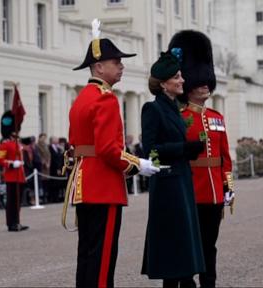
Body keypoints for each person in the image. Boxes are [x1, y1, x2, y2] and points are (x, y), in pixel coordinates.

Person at [68, 19, 159, 288]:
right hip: (103, 185)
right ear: (98, 66)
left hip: (85, 184)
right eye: (115, 62)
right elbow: (109, 150)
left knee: (87, 253)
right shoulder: (105, 98)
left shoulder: (83, 97)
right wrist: (137, 164)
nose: (121, 66)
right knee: (103, 257)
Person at [169, 30, 234, 288]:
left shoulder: (217, 117)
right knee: (188, 244)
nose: (206, 85)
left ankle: (209, 283)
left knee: (210, 245)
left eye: (207, 81)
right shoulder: (180, 116)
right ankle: (187, 283)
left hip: (214, 194)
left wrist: (228, 186)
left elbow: (225, 157)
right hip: (191, 191)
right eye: (200, 81)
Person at [141, 49, 206, 287]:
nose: (182, 81)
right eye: (177, 77)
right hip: (167, 187)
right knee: (174, 251)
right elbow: (150, 151)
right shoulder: (153, 109)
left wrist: (190, 149)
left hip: (181, 182)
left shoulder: (174, 109)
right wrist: (182, 149)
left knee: (183, 247)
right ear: (163, 83)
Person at [0, 111, 29, 231]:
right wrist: (11, 164)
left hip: (19, 176)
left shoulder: (17, 143)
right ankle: (11, 223)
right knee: (11, 202)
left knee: (17, 202)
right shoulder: (5, 144)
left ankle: (17, 221)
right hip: (11, 176)